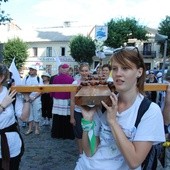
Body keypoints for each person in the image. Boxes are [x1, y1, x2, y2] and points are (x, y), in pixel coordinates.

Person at [75, 47, 165, 170]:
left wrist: (112, 122)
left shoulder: (149, 110)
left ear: (139, 72)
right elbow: (90, 151)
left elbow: (134, 162)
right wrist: (88, 121)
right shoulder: (104, 102)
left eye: (125, 68)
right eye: (115, 68)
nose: (118, 73)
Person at [0, 63, 30, 170]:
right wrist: (3, 105)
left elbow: (24, 118)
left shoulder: (11, 93)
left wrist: (26, 98)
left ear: (1, 77)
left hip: (11, 143)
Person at [70, 62, 91, 156]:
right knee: (79, 134)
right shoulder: (75, 83)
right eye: (82, 71)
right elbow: (72, 101)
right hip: (78, 111)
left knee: (90, 132)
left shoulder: (93, 82)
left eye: (86, 70)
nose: (84, 73)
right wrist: (72, 117)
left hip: (90, 112)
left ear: (89, 71)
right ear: (79, 71)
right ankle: (81, 153)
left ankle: (89, 152)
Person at [50, 63, 75, 139]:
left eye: (65, 68)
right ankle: (66, 134)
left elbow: (52, 89)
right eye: (63, 68)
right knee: (66, 117)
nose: (64, 69)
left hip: (58, 99)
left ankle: (57, 133)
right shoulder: (71, 79)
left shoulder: (55, 78)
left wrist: (52, 96)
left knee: (57, 117)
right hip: (66, 99)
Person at [22, 65, 43, 135]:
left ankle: (37, 128)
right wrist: (27, 97)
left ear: (36, 71)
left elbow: (41, 90)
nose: (30, 71)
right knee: (29, 113)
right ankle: (30, 128)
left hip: (36, 99)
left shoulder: (39, 79)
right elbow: (22, 88)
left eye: (32, 69)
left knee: (37, 113)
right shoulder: (26, 78)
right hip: (27, 98)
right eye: (30, 69)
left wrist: (34, 97)